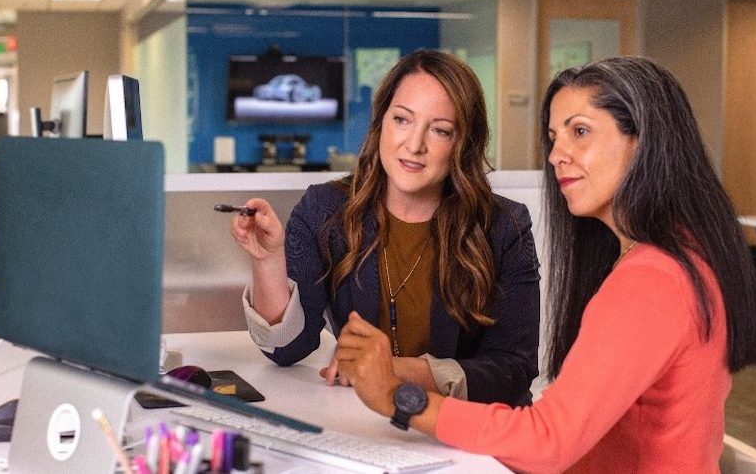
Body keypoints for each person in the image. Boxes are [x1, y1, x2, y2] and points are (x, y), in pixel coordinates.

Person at [334, 56, 756, 472]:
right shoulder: (685, 255)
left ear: (644, 143)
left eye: (580, 131)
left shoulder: (652, 280)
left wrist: (398, 397)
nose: (557, 154)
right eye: (554, 137)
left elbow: (548, 444)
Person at [229, 49, 541, 406]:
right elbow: (286, 349)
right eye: (402, 120)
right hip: (368, 423)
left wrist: (392, 369)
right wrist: (268, 260)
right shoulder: (325, 210)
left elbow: (513, 369)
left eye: (439, 130)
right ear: (381, 123)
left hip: (467, 430)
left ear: (463, 144)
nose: (414, 145)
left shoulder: (504, 226)